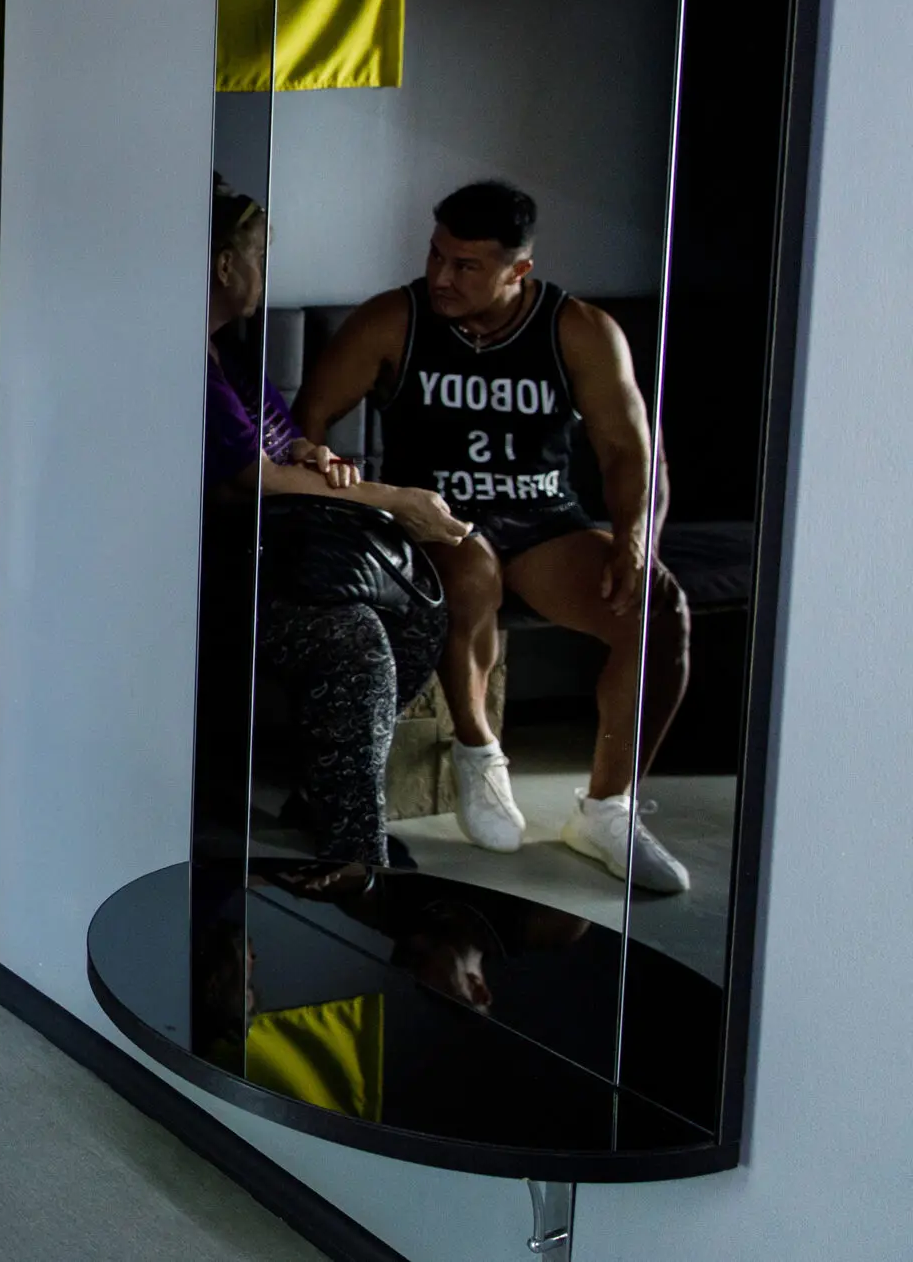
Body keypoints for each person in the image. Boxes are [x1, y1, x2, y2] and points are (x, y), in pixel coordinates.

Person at [292, 180, 692, 892]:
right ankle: (479, 752)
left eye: (467, 265)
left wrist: (636, 541)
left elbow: (633, 452)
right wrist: (323, 465)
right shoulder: (395, 318)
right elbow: (308, 423)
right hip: (434, 522)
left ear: (519, 271)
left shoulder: (579, 329)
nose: (442, 276)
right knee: (471, 568)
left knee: (661, 613)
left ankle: (608, 808)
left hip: (544, 525)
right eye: (436, 254)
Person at [205, 179, 473, 868]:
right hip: (221, 570)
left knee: (417, 616)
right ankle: (356, 853)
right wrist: (392, 499)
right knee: (355, 641)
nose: (267, 268)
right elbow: (247, 478)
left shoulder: (231, 354)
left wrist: (307, 450)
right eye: (259, 252)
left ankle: (323, 790)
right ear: (225, 266)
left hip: (277, 551)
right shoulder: (178, 358)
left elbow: (275, 445)